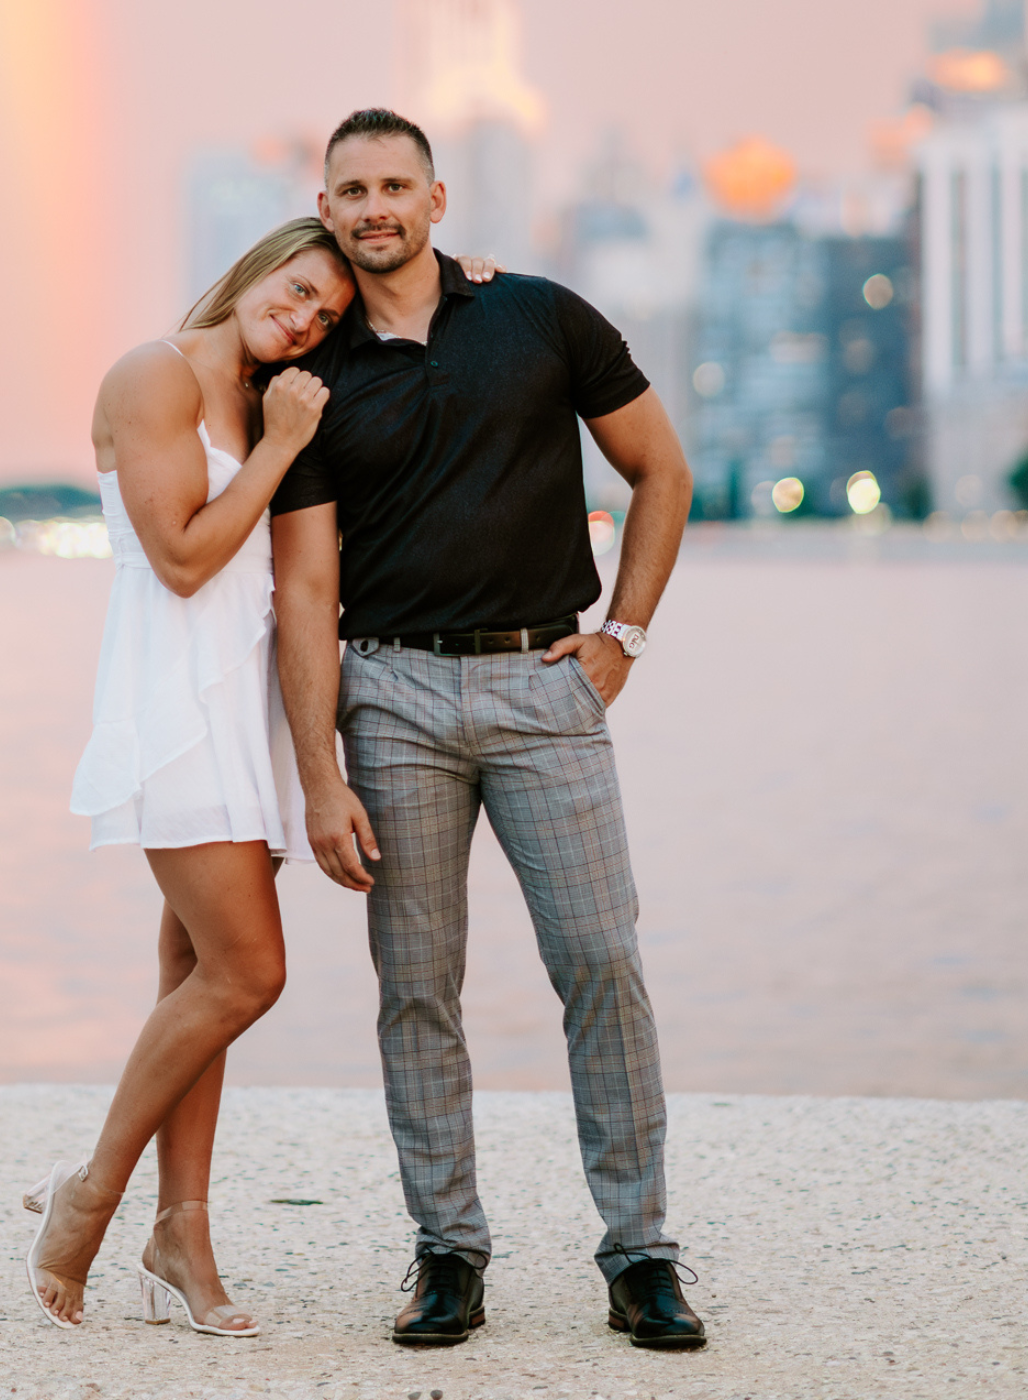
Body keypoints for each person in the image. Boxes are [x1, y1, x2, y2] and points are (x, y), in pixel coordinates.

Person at [271, 109, 707, 1353]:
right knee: (416, 986)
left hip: (542, 686)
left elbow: (660, 472)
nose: (374, 207)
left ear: (438, 196)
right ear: (326, 204)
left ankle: (641, 1254)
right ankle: (448, 1251)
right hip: (391, 701)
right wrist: (318, 774)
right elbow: (306, 588)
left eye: (395, 183)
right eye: (351, 188)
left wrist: (624, 633)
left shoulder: (540, 314)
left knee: (602, 967)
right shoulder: (310, 374)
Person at [24, 215, 496, 1339]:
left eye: (326, 315)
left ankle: (180, 1232)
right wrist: (281, 446)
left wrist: (468, 284)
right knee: (247, 973)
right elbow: (184, 557)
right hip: (178, 712)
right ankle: (88, 1192)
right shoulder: (157, 373)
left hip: (248, 716)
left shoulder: (271, 394)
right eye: (295, 291)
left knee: (195, 976)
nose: (305, 317)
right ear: (252, 273)